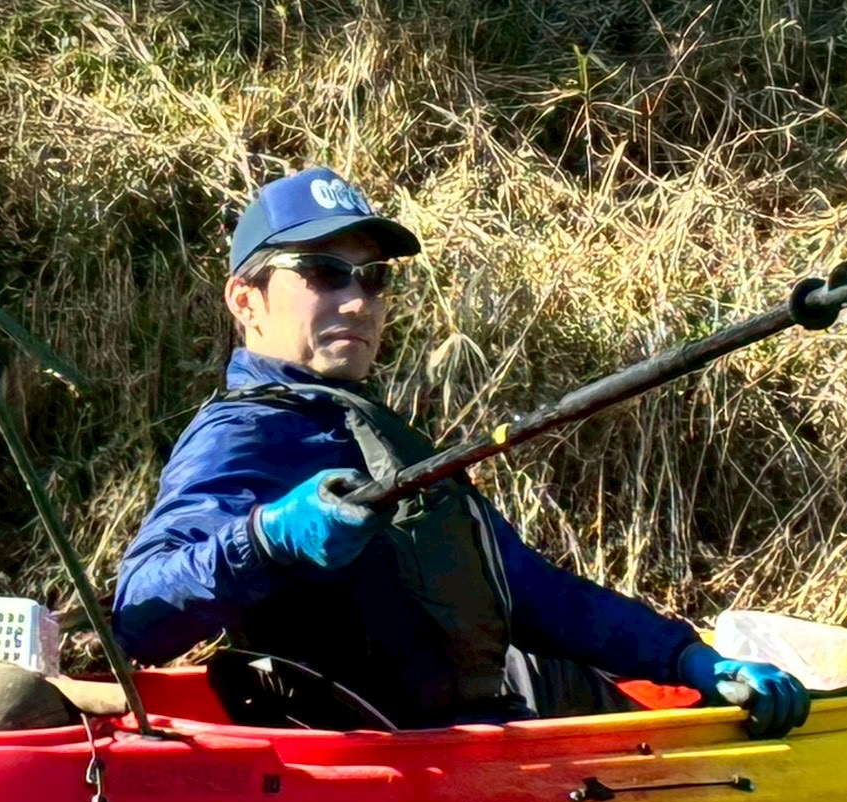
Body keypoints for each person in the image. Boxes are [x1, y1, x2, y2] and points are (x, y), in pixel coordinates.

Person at [112, 167, 809, 736]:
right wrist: (269, 539)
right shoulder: (247, 432)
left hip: (481, 731)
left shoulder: (375, 432)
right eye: (323, 273)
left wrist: (686, 658)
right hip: (384, 761)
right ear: (246, 300)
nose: (357, 301)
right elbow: (139, 618)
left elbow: (529, 592)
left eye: (373, 278)